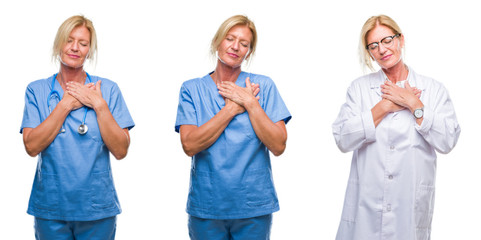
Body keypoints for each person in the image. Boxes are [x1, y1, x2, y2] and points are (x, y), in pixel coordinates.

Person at [332, 15, 461, 240]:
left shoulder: (432, 89)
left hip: (408, 210)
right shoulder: (360, 89)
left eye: (387, 40)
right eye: (373, 45)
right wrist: (384, 107)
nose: (382, 49)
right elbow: (343, 138)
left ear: (401, 40)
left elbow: (448, 140)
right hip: (366, 212)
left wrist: (413, 104)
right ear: (369, 52)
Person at [175, 15, 291, 240]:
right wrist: (230, 109)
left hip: (253, 206)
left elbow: (278, 145)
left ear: (249, 50)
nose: (236, 47)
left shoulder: (262, 86)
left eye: (244, 43)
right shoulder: (191, 89)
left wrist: (249, 103)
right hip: (207, 206)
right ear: (217, 41)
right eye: (230, 39)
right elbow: (189, 145)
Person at [20, 15, 134, 240]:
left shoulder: (107, 90)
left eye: (83, 44)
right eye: (69, 40)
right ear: (58, 44)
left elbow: (121, 150)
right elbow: (31, 146)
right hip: (51, 208)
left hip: (96, 208)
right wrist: (66, 104)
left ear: (89, 51)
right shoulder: (37, 90)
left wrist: (99, 105)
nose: (75, 48)